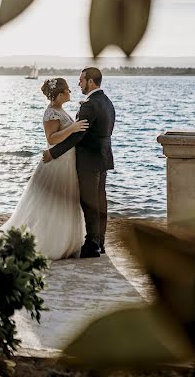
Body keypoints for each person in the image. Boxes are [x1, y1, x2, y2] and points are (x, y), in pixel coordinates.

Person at [1, 78, 88, 260]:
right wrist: (73, 128)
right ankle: (50, 242)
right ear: (59, 95)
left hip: (67, 162)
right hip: (56, 164)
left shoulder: (60, 110)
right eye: (68, 91)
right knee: (51, 203)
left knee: (65, 200)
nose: (70, 93)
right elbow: (52, 139)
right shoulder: (50, 113)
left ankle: (67, 241)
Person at [42, 67, 115, 257]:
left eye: (81, 80)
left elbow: (78, 136)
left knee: (90, 202)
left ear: (90, 81)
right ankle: (100, 242)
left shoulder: (89, 104)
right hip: (103, 157)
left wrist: (53, 153)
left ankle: (92, 245)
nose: (78, 84)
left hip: (89, 160)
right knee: (100, 201)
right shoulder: (107, 102)